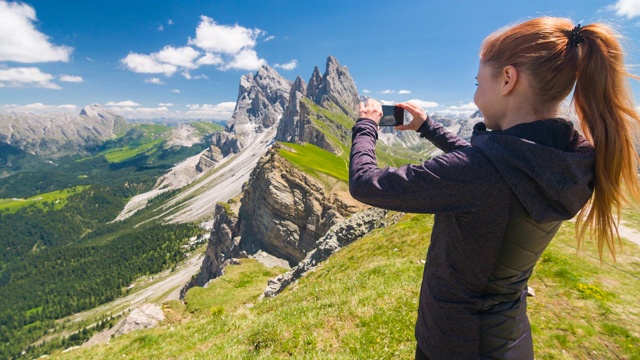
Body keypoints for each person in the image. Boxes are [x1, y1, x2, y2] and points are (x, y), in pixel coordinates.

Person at [349, 17, 640, 359]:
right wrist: (428, 127)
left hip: (454, 344)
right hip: (508, 340)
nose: (474, 96)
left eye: (477, 82)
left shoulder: (481, 173)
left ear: (507, 79)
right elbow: (492, 165)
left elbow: (366, 183)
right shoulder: (569, 159)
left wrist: (366, 125)